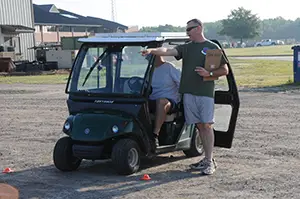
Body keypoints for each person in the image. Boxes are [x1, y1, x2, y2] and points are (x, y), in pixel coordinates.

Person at [141, 18, 229, 175]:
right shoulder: (186, 48)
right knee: (199, 126)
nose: (187, 32)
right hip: (188, 94)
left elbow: (224, 70)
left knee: (207, 125)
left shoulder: (211, 47)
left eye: (189, 29)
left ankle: (210, 161)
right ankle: (205, 159)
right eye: (186, 29)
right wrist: (152, 51)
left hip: (204, 93)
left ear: (199, 28)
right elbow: (167, 52)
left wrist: (208, 73)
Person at [146, 54, 181, 146]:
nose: (147, 57)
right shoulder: (149, 70)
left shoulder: (169, 68)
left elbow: (181, 85)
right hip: (152, 99)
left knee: (161, 102)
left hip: (169, 101)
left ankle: (155, 135)